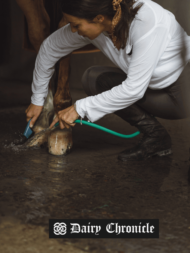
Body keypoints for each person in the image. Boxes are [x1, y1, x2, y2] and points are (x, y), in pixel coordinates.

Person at [25, 0, 190, 161]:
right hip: (151, 88)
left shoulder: (147, 22)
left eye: (76, 25)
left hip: (183, 92)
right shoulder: (98, 23)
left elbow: (133, 89)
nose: (73, 30)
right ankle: (156, 137)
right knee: (94, 78)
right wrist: (37, 99)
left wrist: (78, 109)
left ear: (99, 18)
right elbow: (49, 48)